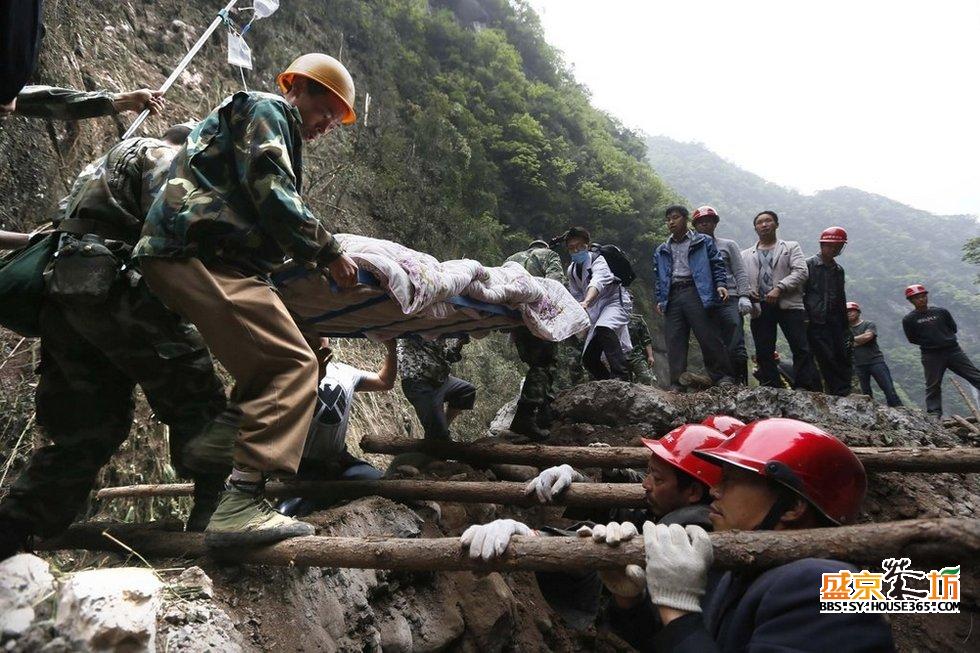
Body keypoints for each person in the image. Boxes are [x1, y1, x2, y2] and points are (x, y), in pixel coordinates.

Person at [133, 53, 361, 547]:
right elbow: (272, 190)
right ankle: (240, 499)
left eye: (333, 120)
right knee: (293, 365)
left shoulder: (269, 123)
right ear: (297, 87)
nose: (325, 125)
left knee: (271, 366)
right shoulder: (266, 109)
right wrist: (329, 251)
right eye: (325, 111)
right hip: (199, 254)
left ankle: (224, 448)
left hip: (203, 256)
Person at [0, 123, 233, 560]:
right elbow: (176, 229)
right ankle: (214, 509)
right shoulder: (165, 156)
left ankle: (13, 529)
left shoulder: (95, 169)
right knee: (196, 394)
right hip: (122, 295)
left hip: (65, 303)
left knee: (85, 432)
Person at [600, 418, 895, 651]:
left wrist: (678, 612)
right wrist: (631, 602)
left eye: (730, 480)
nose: (714, 490)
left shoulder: (820, 588)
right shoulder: (742, 575)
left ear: (792, 506)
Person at [459, 423, 727, 640]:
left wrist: (531, 537)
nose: (646, 484)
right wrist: (576, 479)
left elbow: (618, 537)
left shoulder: (688, 529)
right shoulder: (676, 508)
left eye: (657, 479)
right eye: (648, 473)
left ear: (693, 492)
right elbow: (633, 514)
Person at [277, 339, 396, 518]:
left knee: (384, 486)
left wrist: (391, 348)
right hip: (303, 467)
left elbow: (384, 381)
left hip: (341, 461)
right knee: (290, 514)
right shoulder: (289, 371)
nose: (319, 338)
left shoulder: (346, 371)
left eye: (323, 335)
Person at [653, 205, 734, 390]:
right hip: (672, 295)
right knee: (674, 340)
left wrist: (721, 285)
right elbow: (659, 276)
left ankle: (722, 377)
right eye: (668, 219)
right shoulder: (662, 249)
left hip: (696, 291)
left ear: (685, 219)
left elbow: (717, 264)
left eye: (675, 217)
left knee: (708, 335)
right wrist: (660, 298)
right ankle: (677, 383)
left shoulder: (703, 241)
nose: (671, 222)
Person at [741, 211, 820, 391]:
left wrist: (780, 288)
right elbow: (741, 277)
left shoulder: (791, 247)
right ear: (755, 228)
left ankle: (803, 387)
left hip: (789, 304)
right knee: (763, 349)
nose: (764, 225)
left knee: (800, 346)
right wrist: (748, 291)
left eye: (768, 221)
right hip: (760, 305)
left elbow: (801, 272)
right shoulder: (746, 255)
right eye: (760, 222)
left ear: (776, 224)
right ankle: (771, 385)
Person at [504, 240, 566, 440]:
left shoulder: (511, 258)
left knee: (536, 365)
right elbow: (555, 284)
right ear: (544, 247)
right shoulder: (549, 256)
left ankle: (544, 413)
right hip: (538, 317)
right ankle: (525, 417)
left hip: (516, 318)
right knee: (543, 365)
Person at [691, 206, 752, 384]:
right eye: (700, 222)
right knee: (710, 341)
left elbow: (740, 272)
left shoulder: (728, 245)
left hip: (730, 297)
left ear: (715, 223)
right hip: (703, 300)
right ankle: (721, 380)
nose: (704, 224)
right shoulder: (692, 247)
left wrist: (744, 295)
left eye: (708, 220)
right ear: (695, 225)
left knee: (735, 337)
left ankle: (740, 380)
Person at [564, 227, 633, 380]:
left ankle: (621, 377)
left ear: (587, 245)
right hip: (595, 310)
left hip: (614, 302)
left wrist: (586, 301)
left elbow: (598, 281)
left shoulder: (598, 259)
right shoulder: (572, 270)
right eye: (571, 248)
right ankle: (606, 382)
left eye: (579, 246)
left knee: (605, 328)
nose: (576, 251)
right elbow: (575, 295)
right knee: (589, 358)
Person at [902, 284, 980, 415]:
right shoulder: (909, 319)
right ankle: (934, 414)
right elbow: (912, 339)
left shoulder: (941, 312)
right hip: (931, 355)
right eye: (916, 298)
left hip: (953, 351)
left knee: (975, 376)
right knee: (933, 385)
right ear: (910, 301)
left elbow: (953, 328)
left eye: (923, 296)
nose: (921, 299)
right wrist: (931, 343)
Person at [804, 227, 852, 396]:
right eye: (832, 246)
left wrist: (845, 324)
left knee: (841, 354)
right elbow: (802, 292)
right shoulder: (808, 265)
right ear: (822, 244)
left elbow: (841, 296)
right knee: (825, 356)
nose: (835, 249)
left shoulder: (838, 270)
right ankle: (834, 390)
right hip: (815, 319)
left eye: (838, 246)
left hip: (836, 320)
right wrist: (805, 316)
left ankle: (842, 390)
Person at [398, 335, 476, 440]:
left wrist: (458, 345)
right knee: (439, 438)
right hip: (418, 382)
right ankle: (439, 434)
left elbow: (446, 355)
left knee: (467, 391)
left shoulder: (440, 336)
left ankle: (442, 429)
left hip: (438, 380)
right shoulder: (419, 327)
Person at [848, 302, 902, 407]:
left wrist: (851, 340)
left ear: (858, 312)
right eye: (846, 312)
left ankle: (898, 409)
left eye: (851, 311)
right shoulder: (846, 329)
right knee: (865, 392)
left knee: (888, 388)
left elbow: (868, 336)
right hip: (858, 364)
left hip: (875, 361)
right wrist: (858, 340)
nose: (849, 313)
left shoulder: (868, 324)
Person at [626, 312, 657, 385]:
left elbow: (646, 339)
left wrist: (650, 356)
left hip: (636, 356)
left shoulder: (637, 319)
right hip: (619, 358)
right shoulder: (612, 318)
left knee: (646, 378)